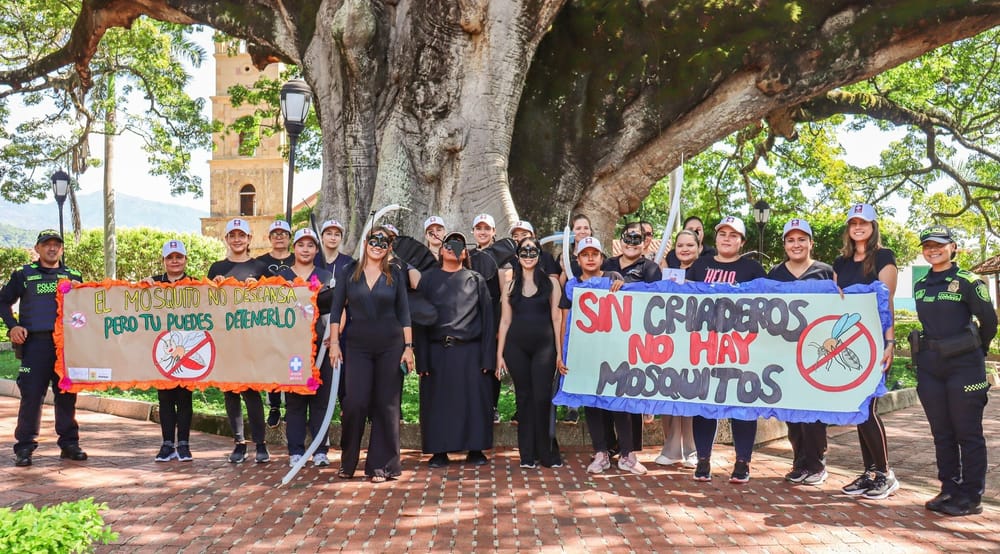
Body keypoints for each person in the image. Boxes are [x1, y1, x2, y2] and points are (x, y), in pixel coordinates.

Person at [911, 225, 996, 516]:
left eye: (939, 245)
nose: (933, 250)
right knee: (942, 432)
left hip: (965, 366)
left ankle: (971, 497)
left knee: (967, 432)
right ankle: (949, 488)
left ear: (953, 247)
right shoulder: (920, 284)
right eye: (927, 245)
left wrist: (975, 351)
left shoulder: (969, 281)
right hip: (931, 367)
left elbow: (990, 321)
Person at [329, 227, 414, 481]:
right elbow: (336, 310)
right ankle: (348, 460)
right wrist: (334, 342)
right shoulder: (348, 272)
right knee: (355, 402)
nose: (378, 245)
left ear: (389, 247)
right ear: (366, 242)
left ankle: (382, 466)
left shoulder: (395, 274)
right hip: (357, 346)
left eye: (384, 242)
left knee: (386, 405)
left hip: (391, 345)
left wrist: (409, 348)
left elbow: (405, 313)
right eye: (374, 240)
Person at [686, 216, 766, 483]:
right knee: (703, 403)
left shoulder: (753, 269)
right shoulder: (700, 266)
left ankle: (742, 462)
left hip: (741, 349)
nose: (727, 239)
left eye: (733, 235)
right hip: (706, 347)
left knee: (742, 404)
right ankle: (703, 460)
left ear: (742, 242)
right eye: (723, 234)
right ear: (716, 238)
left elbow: (768, 303)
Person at [559, 237, 644, 474]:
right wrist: (561, 354)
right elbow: (564, 321)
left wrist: (620, 287)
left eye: (594, 254)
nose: (590, 258)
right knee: (591, 404)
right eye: (585, 254)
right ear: (578, 259)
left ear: (601, 258)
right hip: (584, 354)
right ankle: (601, 453)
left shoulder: (613, 278)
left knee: (620, 403)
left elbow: (631, 307)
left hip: (614, 353)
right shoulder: (572, 285)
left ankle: (627, 454)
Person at [2, 230, 86, 467]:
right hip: (35, 344)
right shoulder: (23, 275)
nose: (52, 249)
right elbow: (3, 301)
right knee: (32, 396)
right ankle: (24, 448)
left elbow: (88, 308)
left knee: (67, 394)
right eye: (46, 245)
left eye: (56, 245)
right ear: (37, 249)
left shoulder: (73, 275)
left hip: (66, 345)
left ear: (61, 249)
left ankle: (69, 444)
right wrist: (12, 327)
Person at [833, 202, 899, 500]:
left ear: (873, 227)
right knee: (858, 407)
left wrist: (890, 343)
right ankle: (870, 472)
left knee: (868, 408)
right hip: (849, 343)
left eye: (864, 222)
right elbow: (836, 304)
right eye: (853, 223)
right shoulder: (841, 263)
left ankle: (886, 473)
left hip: (874, 341)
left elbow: (886, 304)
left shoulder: (884, 257)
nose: (858, 227)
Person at [415, 232, 496, 467]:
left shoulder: (476, 280)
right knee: (437, 402)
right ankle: (439, 450)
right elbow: (419, 320)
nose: (453, 249)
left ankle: (476, 448)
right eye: (448, 244)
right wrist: (422, 359)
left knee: (474, 401)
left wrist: (487, 357)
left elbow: (488, 321)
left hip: (470, 350)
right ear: (441, 250)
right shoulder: (428, 280)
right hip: (437, 351)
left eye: (458, 245)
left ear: (465, 252)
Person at [767, 219, 834, 485]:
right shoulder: (775, 274)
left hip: (817, 352)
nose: (796, 245)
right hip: (785, 351)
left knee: (814, 409)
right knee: (792, 410)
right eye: (791, 240)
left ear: (810, 243)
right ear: (785, 245)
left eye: (801, 239)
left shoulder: (826, 272)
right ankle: (799, 462)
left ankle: (817, 463)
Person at [207, 218, 270, 464]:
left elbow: (271, 300)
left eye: (241, 235)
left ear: (249, 239)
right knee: (231, 393)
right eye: (232, 235)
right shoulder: (216, 268)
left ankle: (261, 444)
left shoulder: (260, 267)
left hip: (251, 339)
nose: (237, 239)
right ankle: (239, 443)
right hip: (225, 338)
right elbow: (207, 301)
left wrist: (260, 288)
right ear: (226, 239)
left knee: (252, 392)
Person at [496, 236, 563, 469]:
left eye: (532, 251)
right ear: (517, 256)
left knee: (542, 397)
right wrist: (499, 356)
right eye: (523, 251)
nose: (527, 255)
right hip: (516, 348)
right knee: (523, 398)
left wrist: (559, 353)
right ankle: (526, 455)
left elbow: (557, 318)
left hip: (544, 347)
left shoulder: (551, 283)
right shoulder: (511, 284)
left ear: (539, 254)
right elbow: (505, 321)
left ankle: (546, 453)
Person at [602, 223, 662, 458]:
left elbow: (657, 295)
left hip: (636, 338)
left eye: (637, 238)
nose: (631, 243)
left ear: (645, 242)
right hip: (607, 335)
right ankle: (608, 444)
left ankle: (630, 448)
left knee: (630, 391)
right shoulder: (607, 264)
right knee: (606, 388)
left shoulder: (651, 268)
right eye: (628, 237)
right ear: (621, 239)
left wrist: (627, 287)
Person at [277, 229, 335, 468]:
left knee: (320, 399)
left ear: (316, 249)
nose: (305, 249)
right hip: (292, 347)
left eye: (310, 245)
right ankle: (296, 450)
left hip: (320, 344)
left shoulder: (324, 275)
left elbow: (333, 310)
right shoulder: (282, 276)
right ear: (294, 248)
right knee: (295, 400)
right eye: (301, 244)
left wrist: (333, 334)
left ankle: (320, 449)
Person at [143, 240, 196, 462]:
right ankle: (166, 444)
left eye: (179, 257)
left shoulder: (196, 284)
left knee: (184, 398)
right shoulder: (153, 282)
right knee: (165, 397)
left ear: (185, 259)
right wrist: (141, 287)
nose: (175, 261)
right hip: (162, 349)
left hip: (187, 348)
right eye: (170, 258)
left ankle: (183, 444)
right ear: (164, 261)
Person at [655, 229, 701, 468]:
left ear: (699, 248)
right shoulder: (667, 274)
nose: (685, 249)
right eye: (680, 245)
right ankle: (671, 446)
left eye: (690, 245)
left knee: (691, 391)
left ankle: (693, 449)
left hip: (697, 341)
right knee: (669, 389)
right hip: (670, 340)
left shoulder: (705, 271)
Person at [556, 213, 594, 424]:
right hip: (573, 314)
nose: (582, 231)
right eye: (578, 228)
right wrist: (563, 269)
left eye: (585, 228)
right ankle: (572, 407)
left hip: (595, 319)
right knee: (572, 357)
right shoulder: (566, 259)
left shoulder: (597, 256)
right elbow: (562, 288)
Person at [257, 219, 295, 429]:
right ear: (269, 237)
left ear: (289, 238)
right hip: (269, 320)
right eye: (275, 233)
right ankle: (273, 405)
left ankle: (291, 404)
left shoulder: (299, 259)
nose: (279, 236)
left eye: (284, 233)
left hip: (295, 321)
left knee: (291, 361)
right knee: (272, 362)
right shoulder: (259, 262)